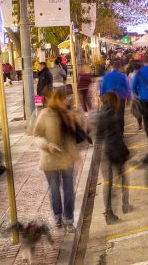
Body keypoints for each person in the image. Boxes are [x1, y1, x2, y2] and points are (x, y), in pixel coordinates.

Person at [34, 90, 82, 231]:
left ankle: (68, 219)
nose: (66, 101)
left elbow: (75, 137)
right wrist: (46, 145)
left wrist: (77, 120)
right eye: (64, 99)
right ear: (57, 100)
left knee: (68, 190)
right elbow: (36, 136)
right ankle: (57, 216)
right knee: (54, 189)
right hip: (50, 159)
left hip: (67, 158)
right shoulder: (45, 114)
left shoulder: (68, 114)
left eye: (67, 99)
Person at [95, 92, 132, 224]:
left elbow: (98, 136)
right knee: (118, 181)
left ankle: (118, 207)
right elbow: (117, 137)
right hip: (114, 153)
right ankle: (115, 210)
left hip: (105, 153)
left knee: (110, 182)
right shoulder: (111, 116)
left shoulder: (101, 114)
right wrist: (126, 152)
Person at [101, 60, 131, 133]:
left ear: (112, 67)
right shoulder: (123, 76)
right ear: (120, 67)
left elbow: (103, 87)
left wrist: (102, 98)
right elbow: (127, 88)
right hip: (120, 98)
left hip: (109, 98)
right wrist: (129, 99)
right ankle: (120, 132)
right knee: (120, 116)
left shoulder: (106, 75)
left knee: (109, 114)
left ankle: (111, 131)